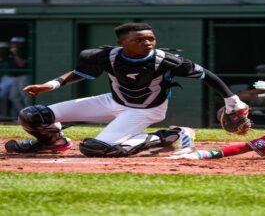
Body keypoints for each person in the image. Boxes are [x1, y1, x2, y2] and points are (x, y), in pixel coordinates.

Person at [4, 22, 248, 157]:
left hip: (145, 111)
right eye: (139, 40)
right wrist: (53, 84)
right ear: (122, 43)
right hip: (112, 101)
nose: (148, 43)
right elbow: (80, 73)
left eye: (150, 38)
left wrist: (232, 100)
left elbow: (207, 75)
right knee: (33, 116)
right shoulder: (103, 55)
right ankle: (53, 143)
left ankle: (173, 136)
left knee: (98, 148)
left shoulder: (166, 60)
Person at [8, 37, 31, 115]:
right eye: (12, 43)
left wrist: (15, 53)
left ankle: (30, 114)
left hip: (24, 76)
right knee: (13, 96)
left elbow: (21, 64)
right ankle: (24, 115)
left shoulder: (24, 51)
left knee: (25, 97)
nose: (13, 45)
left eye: (15, 43)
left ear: (20, 44)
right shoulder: (11, 52)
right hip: (15, 77)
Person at [0, 41, 16, 116]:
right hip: (4, 79)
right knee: (3, 97)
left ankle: (11, 116)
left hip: (13, 78)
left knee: (13, 97)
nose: (2, 51)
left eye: (3, 49)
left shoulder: (11, 57)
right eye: (1, 49)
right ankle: (4, 116)